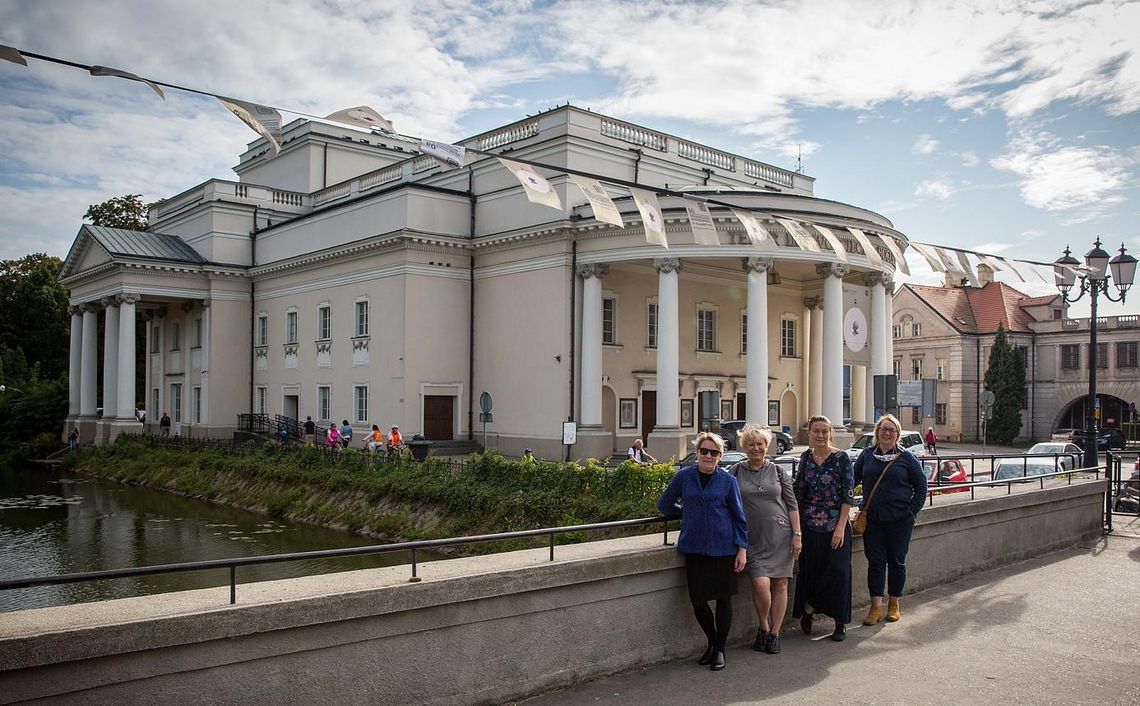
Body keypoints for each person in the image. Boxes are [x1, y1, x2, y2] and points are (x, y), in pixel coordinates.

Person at [657, 431, 748, 672]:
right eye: (704, 451)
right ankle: (713, 642)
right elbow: (664, 504)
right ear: (697, 452)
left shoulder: (728, 481)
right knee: (698, 601)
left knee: (723, 599)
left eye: (714, 452)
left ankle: (719, 650)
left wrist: (742, 549)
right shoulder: (684, 476)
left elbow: (739, 517)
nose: (708, 456)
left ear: (720, 456)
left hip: (724, 548)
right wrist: (687, 514)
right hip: (695, 547)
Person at [727, 425, 800, 655]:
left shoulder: (778, 471)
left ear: (766, 446)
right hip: (752, 538)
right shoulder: (735, 471)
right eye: (751, 444)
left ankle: (775, 633)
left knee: (781, 584)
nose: (756, 448)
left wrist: (797, 534)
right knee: (760, 584)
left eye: (760, 444)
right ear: (744, 447)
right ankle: (763, 626)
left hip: (780, 535)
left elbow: (792, 504)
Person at [854, 413, 928, 625]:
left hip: (900, 520)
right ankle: (875, 607)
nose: (886, 433)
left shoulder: (907, 458)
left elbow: (921, 487)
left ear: (897, 434)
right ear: (877, 433)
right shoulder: (867, 456)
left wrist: (911, 511)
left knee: (896, 562)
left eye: (891, 430)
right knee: (875, 563)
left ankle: (894, 604)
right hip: (873, 520)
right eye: (883, 429)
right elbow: (852, 478)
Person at [792, 415, 854, 642]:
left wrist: (840, 527)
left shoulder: (841, 458)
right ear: (809, 432)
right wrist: (795, 527)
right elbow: (799, 491)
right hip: (809, 525)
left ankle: (839, 623)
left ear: (830, 433)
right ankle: (808, 610)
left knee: (838, 572)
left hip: (835, 525)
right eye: (816, 431)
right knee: (811, 572)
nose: (820, 435)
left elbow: (848, 495)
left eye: (824, 431)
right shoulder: (806, 457)